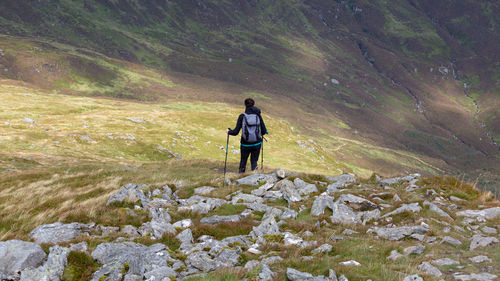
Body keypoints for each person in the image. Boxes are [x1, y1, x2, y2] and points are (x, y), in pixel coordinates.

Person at [227, 98, 268, 173]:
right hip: (257, 144)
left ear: (245, 105)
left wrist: (229, 131)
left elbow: (235, 132)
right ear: (253, 104)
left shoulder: (242, 116)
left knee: (243, 161)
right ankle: (255, 178)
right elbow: (264, 131)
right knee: (254, 161)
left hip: (245, 144)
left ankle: (241, 177)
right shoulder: (258, 115)